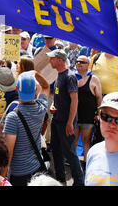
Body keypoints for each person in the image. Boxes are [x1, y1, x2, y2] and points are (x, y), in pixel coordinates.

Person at [2, 71, 49, 186]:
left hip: (19, 174)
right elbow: (46, 86)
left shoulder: (13, 117)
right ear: (35, 91)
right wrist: (36, 74)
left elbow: (9, 152)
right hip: (37, 167)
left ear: (17, 90)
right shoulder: (41, 108)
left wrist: (1, 176)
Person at [47, 49, 84, 186]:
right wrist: (53, 107)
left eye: (52, 58)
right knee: (56, 149)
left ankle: (79, 181)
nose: (50, 60)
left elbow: (75, 100)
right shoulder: (59, 75)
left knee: (69, 152)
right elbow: (58, 97)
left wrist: (70, 122)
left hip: (65, 122)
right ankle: (60, 178)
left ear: (60, 60)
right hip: (57, 120)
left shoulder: (69, 76)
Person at [74, 56, 102, 163]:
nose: (79, 63)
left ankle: (86, 163)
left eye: (82, 62)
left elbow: (99, 97)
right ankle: (74, 163)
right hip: (75, 115)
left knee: (86, 140)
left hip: (88, 116)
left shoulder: (94, 79)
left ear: (88, 65)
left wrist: (99, 112)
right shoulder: (72, 77)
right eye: (77, 62)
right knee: (74, 140)